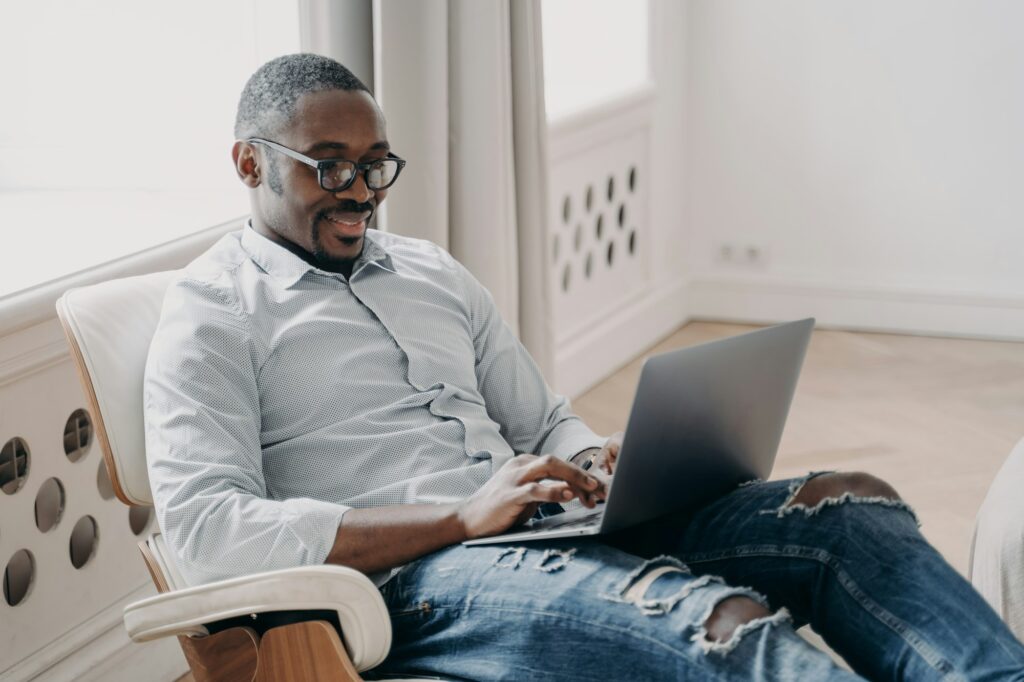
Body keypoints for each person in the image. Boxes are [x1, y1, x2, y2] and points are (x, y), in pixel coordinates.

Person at [144, 53, 1024, 681]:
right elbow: (211, 531)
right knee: (718, 626)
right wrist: (458, 516)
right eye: (328, 167)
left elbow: (544, 418)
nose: (363, 192)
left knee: (846, 506)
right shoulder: (212, 313)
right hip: (418, 583)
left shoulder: (429, 270)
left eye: (376, 165)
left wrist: (597, 462)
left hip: (549, 529)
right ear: (249, 162)